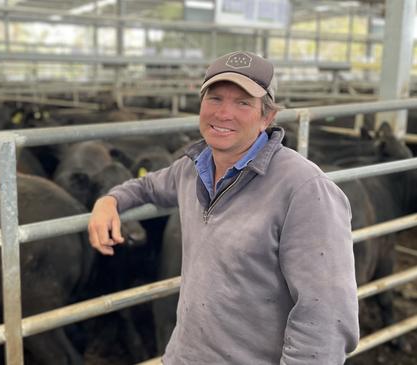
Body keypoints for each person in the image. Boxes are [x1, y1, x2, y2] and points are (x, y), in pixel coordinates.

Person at [88, 51, 359, 364]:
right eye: (214, 98)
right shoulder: (191, 169)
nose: (224, 113)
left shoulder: (305, 190)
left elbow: (326, 317)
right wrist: (110, 201)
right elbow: (147, 186)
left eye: (243, 102)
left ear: (267, 116)